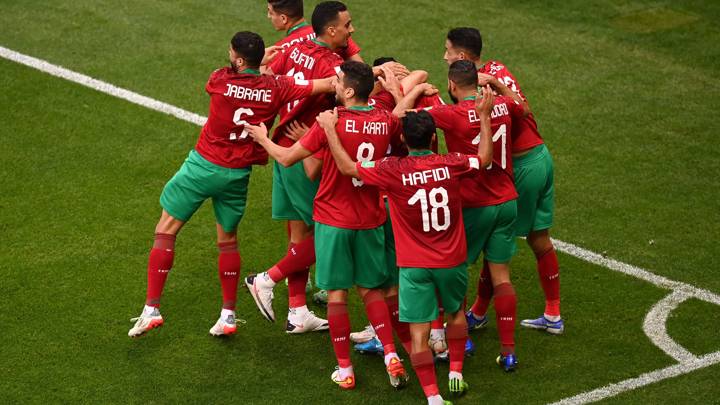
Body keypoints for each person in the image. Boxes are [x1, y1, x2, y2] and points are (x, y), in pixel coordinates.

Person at [127, 31, 334, 338]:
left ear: (238, 59)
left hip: (202, 167)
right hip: (237, 176)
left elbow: (230, 75)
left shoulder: (220, 80)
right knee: (227, 241)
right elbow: (325, 84)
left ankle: (151, 310)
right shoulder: (278, 87)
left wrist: (257, 64)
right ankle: (228, 316)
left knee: (165, 229)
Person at [317, 86, 495, 403]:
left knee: (418, 330)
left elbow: (347, 168)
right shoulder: (452, 163)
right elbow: (484, 158)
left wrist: (330, 129)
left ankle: (433, 397)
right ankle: (455, 373)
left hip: (414, 265)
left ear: (404, 142)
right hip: (452, 259)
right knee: (455, 314)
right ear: (431, 139)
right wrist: (483, 117)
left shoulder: (392, 170)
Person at [246, 61, 408, 390]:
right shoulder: (384, 121)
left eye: (337, 80)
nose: (331, 83)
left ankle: (346, 371)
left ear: (349, 91)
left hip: (334, 220)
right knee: (371, 290)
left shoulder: (330, 123)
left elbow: (288, 158)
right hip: (370, 219)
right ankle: (391, 353)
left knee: (336, 295)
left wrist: (263, 138)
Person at [395, 60, 528, 371]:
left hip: (473, 205)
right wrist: (496, 83)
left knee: (453, 271)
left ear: (453, 86)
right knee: (502, 276)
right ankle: (508, 351)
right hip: (507, 201)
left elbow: (405, 119)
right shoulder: (502, 105)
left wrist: (404, 90)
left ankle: (460, 339)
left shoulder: (450, 113)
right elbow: (523, 107)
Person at [444, 27, 564, 334]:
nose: (444, 57)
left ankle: (479, 312)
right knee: (538, 238)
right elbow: (524, 109)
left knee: (495, 244)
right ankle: (553, 314)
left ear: (461, 56)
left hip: (520, 167)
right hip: (541, 157)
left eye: (447, 51)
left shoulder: (476, 90)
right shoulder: (496, 70)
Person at [244, 1, 355, 333]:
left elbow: (266, 79)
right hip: (305, 151)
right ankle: (266, 279)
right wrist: (384, 74)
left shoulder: (294, 49)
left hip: (283, 147)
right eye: (347, 25)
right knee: (327, 233)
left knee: (299, 234)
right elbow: (356, 94)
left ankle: (297, 312)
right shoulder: (333, 66)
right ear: (331, 30)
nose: (352, 31)